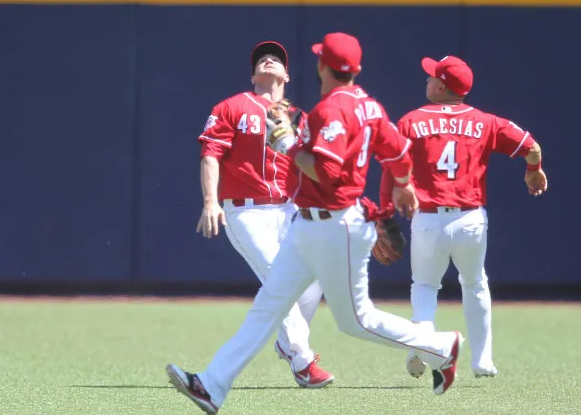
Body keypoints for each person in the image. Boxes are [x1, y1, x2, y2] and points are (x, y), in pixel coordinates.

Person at [168, 33, 464, 414]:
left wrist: (288, 145)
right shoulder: (370, 107)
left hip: (334, 226)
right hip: (309, 225)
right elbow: (400, 155)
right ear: (355, 69)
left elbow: (326, 172)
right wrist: (403, 186)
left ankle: (442, 347)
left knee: (356, 321)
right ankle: (212, 385)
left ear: (322, 66)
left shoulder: (329, 111)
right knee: (269, 304)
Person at [377, 55, 547, 380]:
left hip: (429, 219)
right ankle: (482, 360)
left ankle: (423, 345)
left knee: (425, 286)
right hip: (470, 220)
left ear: (442, 86)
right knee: (475, 284)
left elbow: (391, 166)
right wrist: (533, 170)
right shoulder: (486, 121)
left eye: (432, 76)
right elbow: (532, 147)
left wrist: (384, 215)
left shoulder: (411, 120)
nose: (427, 80)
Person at [194, 40, 333, 389]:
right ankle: (303, 361)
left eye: (276, 59)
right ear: (253, 75)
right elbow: (211, 154)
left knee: (315, 275)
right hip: (246, 211)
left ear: (287, 75)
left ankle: (287, 343)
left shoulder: (298, 117)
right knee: (279, 277)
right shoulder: (232, 106)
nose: (268, 60)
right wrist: (210, 201)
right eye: (261, 59)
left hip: (289, 209)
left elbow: (313, 169)